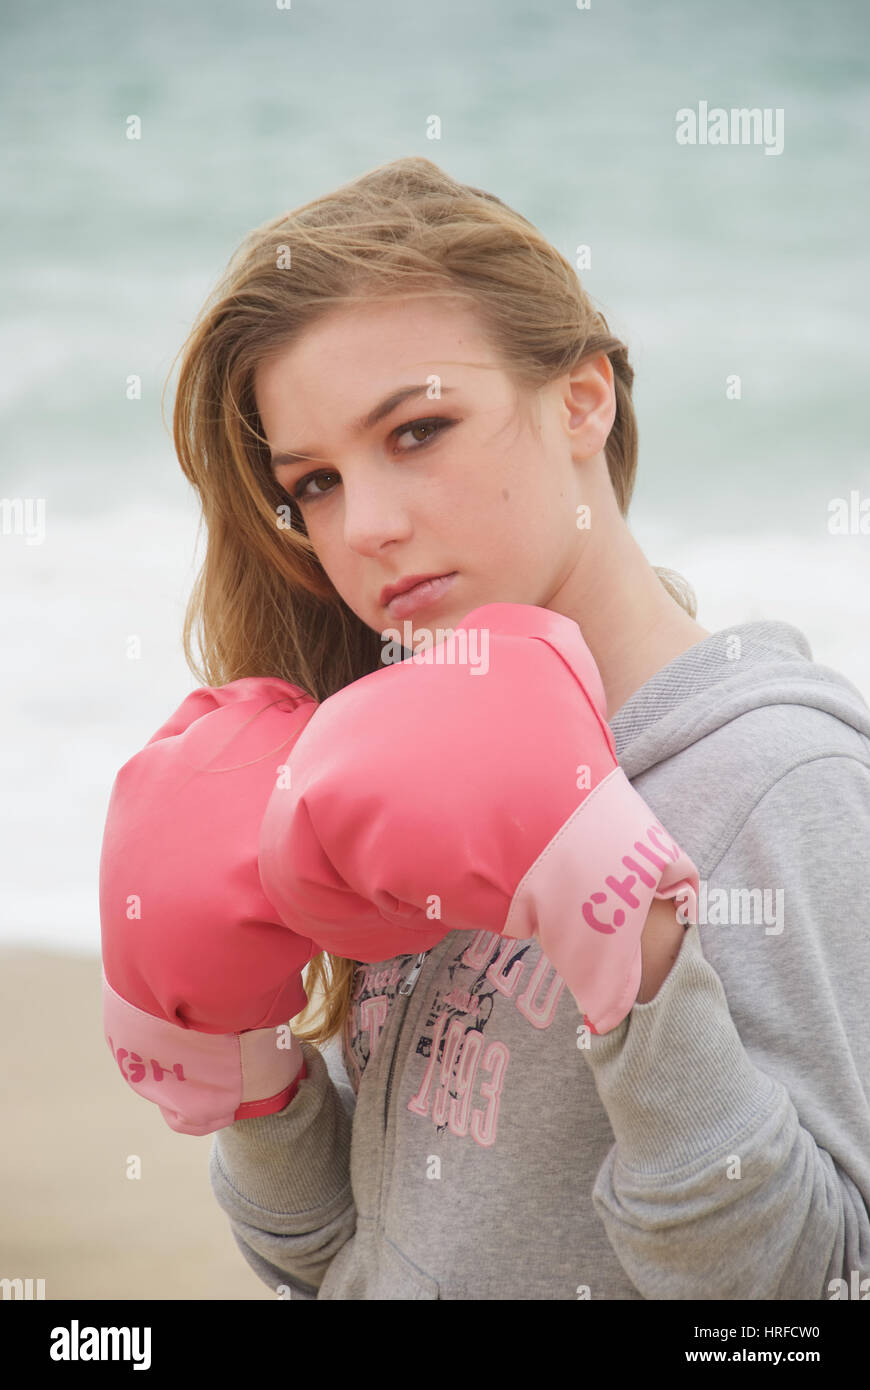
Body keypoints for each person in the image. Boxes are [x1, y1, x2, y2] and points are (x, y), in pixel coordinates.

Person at [166, 156, 870, 1300]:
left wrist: (635, 951)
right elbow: (337, 1260)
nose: (369, 528)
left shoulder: (787, 783)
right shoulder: (395, 771)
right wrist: (255, 1074)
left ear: (582, 399)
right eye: (317, 484)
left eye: (418, 429)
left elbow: (806, 1295)